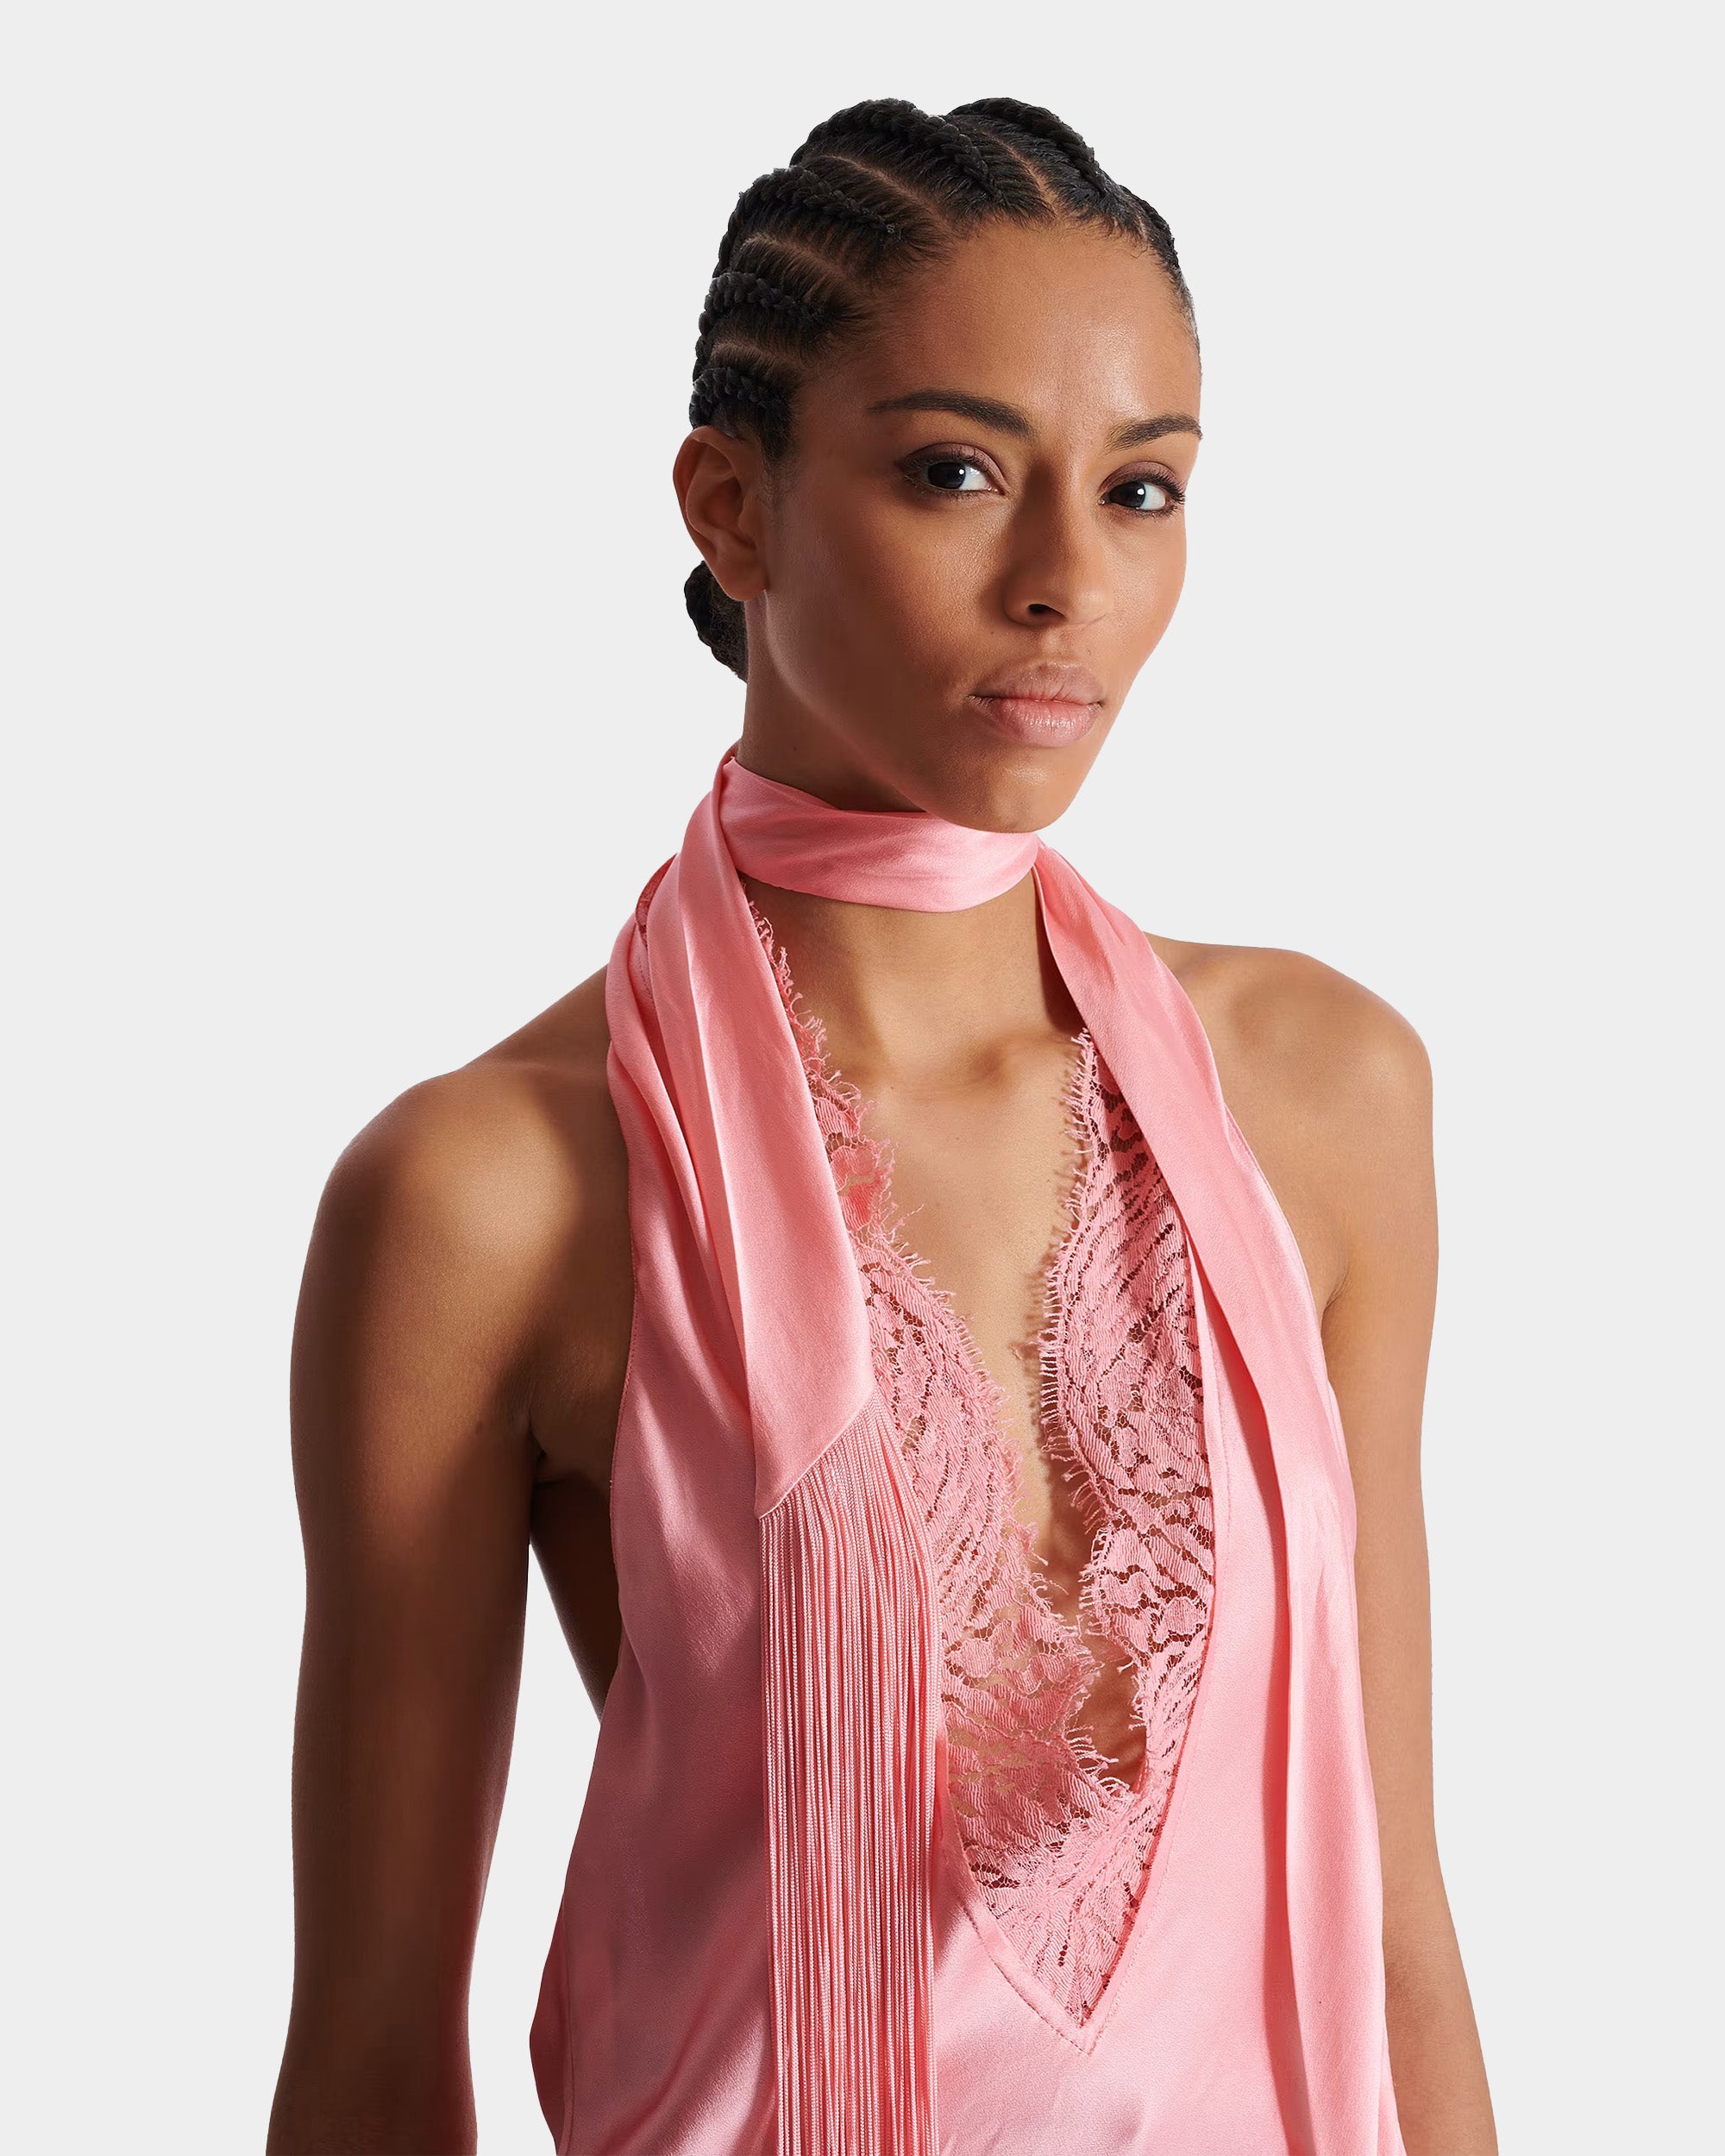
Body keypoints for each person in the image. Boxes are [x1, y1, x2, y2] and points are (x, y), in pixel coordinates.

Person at [267, 96, 1496, 2156]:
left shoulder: (1324, 1091)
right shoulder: (493, 1195)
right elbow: (375, 2051)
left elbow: (1393, 1928)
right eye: (955, 472)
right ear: (729, 509)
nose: (1065, 583)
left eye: (1140, 488)